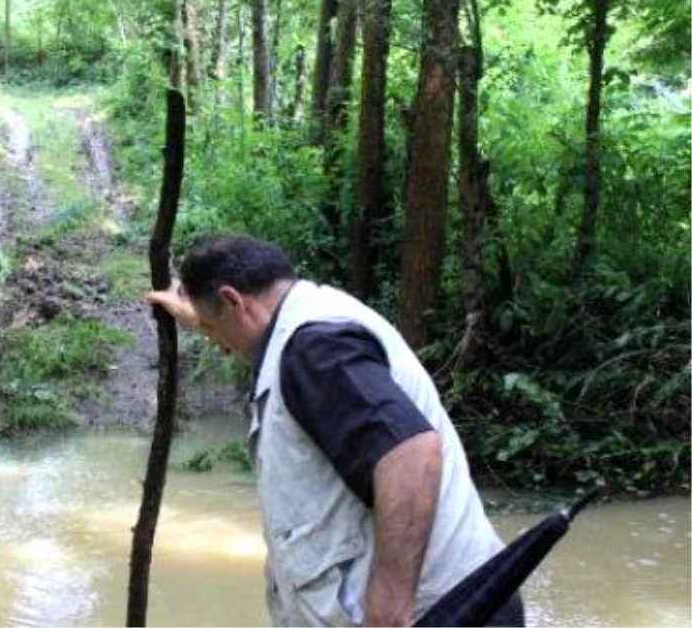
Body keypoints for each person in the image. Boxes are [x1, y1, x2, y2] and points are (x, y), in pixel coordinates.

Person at [145, 234, 524, 628]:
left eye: (212, 330)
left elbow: (411, 454)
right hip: (465, 601)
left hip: (443, 616)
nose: (220, 347)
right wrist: (197, 314)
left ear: (233, 301)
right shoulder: (314, 318)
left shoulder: (315, 351)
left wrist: (388, 611)